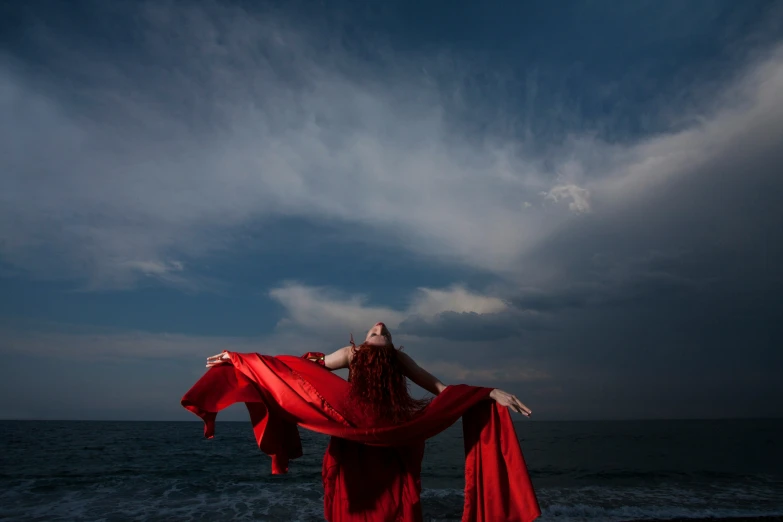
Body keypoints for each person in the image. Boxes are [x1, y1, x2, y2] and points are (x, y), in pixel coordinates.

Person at [186, 321, 540, 522]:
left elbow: (442, 391)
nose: (379, 324)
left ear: (388, 343)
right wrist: (240, 362)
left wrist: (488, 393)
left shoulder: (399, 359)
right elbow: (297, 372)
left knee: (399, 509)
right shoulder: (351, 354)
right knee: (353, 509)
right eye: (374, 326)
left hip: (394, 442)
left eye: (383, 328)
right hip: (353, 438)